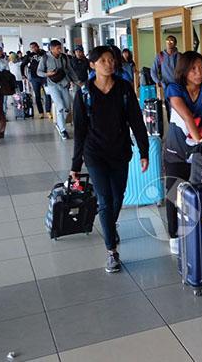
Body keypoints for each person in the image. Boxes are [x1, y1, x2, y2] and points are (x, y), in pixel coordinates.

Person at [70, 46, 149, 273]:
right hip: (94, 153)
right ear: (93, 65)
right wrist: (76, 165)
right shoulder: (84, 93)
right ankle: (111, 251)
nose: (109, 63)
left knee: (118, 198)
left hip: (120, 151)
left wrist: (144, 151)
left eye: (111, 59)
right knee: (104, 199)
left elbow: (136, 121)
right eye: (103, 60)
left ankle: (109, 225)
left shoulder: (123, 88)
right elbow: (80, 130)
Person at [163, 51, 202, 254]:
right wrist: (199, 139)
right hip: (177, 149)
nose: (199, 72)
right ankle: (174, 235)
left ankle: (201, 231)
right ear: (184, 70)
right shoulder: (174, 88)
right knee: (174, 193)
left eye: (201, 67)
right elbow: (187, 116)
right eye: (193, 69)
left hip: (201, 151)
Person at [37, 40, 76, 140]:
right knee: (60, 107)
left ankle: (59, 123)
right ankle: (62, 129)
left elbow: (70, 70)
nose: (60, 50)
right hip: (52, 85)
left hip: (64, 84)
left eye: (60, 48)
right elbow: (39, 72)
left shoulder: (64, 57)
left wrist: (76, 80)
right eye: (57, 48)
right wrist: (47, 74)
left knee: (67, 107)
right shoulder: (45, 58)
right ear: (51, 48)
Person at [21, 42, 51, 119]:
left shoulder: (44, 54)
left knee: (48, 94)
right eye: (32, 47)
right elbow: (22, 65)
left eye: (35, 47)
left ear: (38, 46)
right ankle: (41, 112)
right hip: (35, 78)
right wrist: (23, 75)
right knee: (37, 96)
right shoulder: (29, 56)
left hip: (44, 77)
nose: (33, 49)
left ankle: (48, 111)